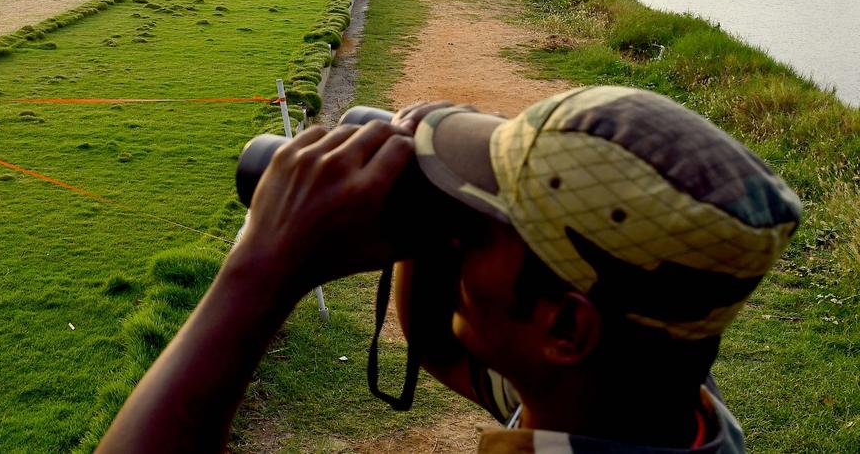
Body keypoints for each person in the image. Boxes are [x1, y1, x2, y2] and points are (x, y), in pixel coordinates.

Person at [96, 86, 801, 453]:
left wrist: (264, 264)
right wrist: (442, 197)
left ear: (563, 323)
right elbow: (438, 342)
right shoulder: (660, 400)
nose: (459, 242)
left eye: (480, 232)